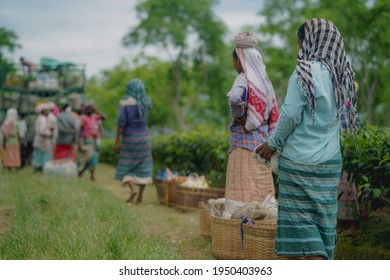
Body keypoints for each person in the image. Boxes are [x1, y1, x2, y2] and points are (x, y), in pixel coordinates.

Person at [255, 18, 359, 260]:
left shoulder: (304, 72)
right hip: (330, 162)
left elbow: (290, 114)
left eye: (300, 42)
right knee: (323, 222)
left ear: (310, 41)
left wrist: (272, 144)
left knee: (300, 226)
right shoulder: (343, 74)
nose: (299, 48)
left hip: (299, 162)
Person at [225, 32, 279, 203]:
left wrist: (241, 116)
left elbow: (234, 99)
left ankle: (242, 228)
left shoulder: (243, 78)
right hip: (263, 146)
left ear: (239, 60)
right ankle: (262, 228)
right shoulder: (264, 80)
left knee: (242, 192)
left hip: (243, 144)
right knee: (262, 193)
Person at [114, 78, 153, 205]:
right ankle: (140, 197)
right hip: (144, 137)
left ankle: (132, 189)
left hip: (129, 137)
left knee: (127, 165)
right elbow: (148, 109)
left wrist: (117, 140)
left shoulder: (125, 101)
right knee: (144, 167)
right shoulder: (146, 100)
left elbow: (121, 123)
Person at [78, 103, 106, 181]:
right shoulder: (83, 118)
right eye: (90, 109)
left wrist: (97, 110)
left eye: (92, 109)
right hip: (87, 140)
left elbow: (104, 117)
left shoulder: (94, 117)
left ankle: (88, 174)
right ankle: (86, 173)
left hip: (95, 141)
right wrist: (80, 143)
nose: (91, 111)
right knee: (91, 158)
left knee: (94, 159)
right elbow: (80, 131)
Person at [32, 103, 54, 172]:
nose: (48, 112)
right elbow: (42, 131)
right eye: (46, 111)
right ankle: (40, 169)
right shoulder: (42, 119)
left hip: (41, 140)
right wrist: (49, 133)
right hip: (42, 140)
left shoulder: (42, 118)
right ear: (42, 111)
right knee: (41, 155)